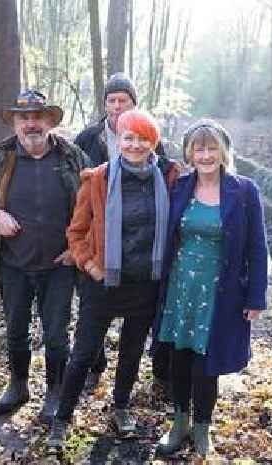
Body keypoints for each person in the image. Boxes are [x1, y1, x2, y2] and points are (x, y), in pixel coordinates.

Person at [46, 109, 180, 450]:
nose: (135, 145)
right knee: (83, 354)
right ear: (117, 139)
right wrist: (90, 266)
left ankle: (121, 406)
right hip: (102, 282)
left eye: (143, 138)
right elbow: (75, 233)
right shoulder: (97, 178)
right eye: (129, 137)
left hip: (145, 283)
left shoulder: (168, 177)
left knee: (132, 351)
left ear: (154, 142)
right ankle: (62, 418)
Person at [0, 90, 90, 423]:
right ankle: (17, 386)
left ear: (49, 121)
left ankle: (55, 392)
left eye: (37, 117)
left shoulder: (73, 158)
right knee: (15, 330)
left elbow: (97, 204)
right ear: (15, 123)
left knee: (57, 334)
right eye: (23, 118)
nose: (31, 124)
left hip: (60, 264)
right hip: (13, 264)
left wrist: (78, 249)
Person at [154, 120, 268, 458]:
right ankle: (179, 422)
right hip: (180, 287)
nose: (205, 155)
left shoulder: (244, 191)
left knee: (207, 362)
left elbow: (257, 248)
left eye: (211, 147)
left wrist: (256, 296)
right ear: (189, 153)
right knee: (178, 357)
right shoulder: (180, 186)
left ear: (223, 151)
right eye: (198, 148)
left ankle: (202, 428)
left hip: (220, 291)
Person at [73, 72, 170, 393]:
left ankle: (125, 396)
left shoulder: (151, 145)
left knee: (134, 341)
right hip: (97, 250)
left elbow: (168, 181)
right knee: (89, 333)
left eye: (122, 100)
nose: (115, 106)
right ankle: (93, 368)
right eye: (110, 100)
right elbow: (76, 189)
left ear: (133, 104)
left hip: (141, 264)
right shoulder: (88, 139)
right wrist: (82, 254)